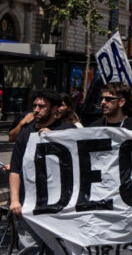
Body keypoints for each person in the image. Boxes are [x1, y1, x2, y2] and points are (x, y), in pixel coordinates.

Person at [9, 90, 76, 253]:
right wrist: (15, 199)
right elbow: (15, 169)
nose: (36, 110)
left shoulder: (68, 129)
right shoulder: (25, 134)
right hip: (30, 203)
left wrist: (56, 138)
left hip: (61, 205)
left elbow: (79, 159)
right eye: (35, 106)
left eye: (42, 106)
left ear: (55, 109)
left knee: (60, 248)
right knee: (30, 247)